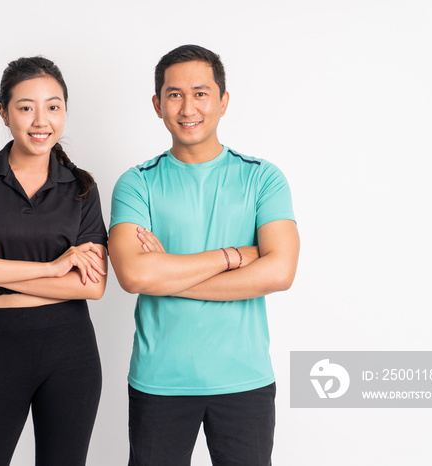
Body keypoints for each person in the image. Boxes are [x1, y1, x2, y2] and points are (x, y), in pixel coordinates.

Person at [108, 45, 300, 466]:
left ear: (223, 101)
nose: (187, 107)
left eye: (201, 93)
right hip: (160, 380)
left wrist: (171, 274)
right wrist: (232, 256)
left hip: (243, 379)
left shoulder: (262, 177)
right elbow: (136, 276)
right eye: (174, 94)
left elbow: (280, 271)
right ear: (157, 104)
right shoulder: (136, 184)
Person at [0, 56, 107, 466]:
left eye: (53, 106)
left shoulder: (81, 187)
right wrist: (53, 268)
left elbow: (93, 286)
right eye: (25, 107)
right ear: (4, 111)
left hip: (71, 350)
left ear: (65, 111)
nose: (40, 120)